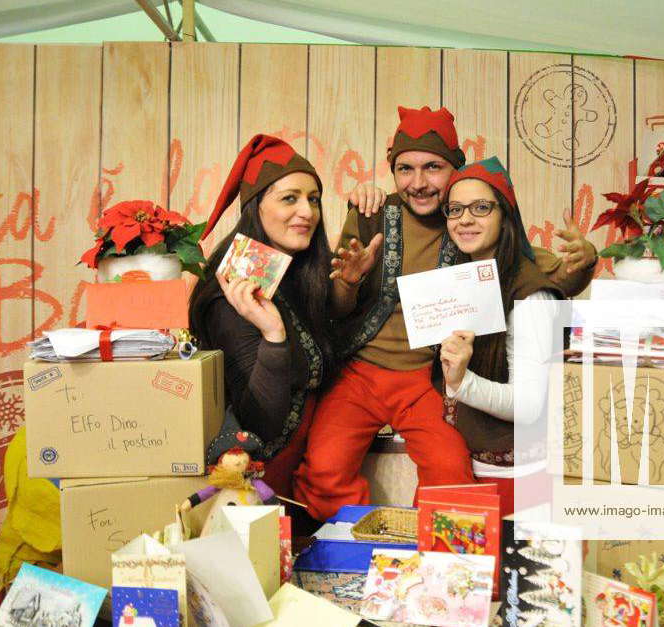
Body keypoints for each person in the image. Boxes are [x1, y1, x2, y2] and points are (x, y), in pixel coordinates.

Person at [294, 106, 598, 521]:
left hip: (426, 377)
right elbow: (334, 306)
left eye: (433, 167)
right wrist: (346, 283)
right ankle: (348, 553)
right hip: (359, 372)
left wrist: (584, 261)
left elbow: (536, 273)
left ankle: (436, 568)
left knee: (450, 470)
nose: (418, 183)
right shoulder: (370, 214)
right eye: (406, 169)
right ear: (393, 171)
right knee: (325, 466)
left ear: (455, 169)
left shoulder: (469, 220)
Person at [189, 134, 333, 500]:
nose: (308, 212)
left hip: (307, 470)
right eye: (290, 198)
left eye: (313, 199)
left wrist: (348, 289)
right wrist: (273, 335)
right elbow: (259, 425)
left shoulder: (296, 272)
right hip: (259, 485)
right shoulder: (230, 294)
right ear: (256, 207)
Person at [434, 156, 565, 517]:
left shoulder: (531, 295)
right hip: (469, 469)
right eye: (455, 209)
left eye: (480, 207)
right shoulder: (463, 279)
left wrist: (461, 381)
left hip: (517, 483)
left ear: (505, 214)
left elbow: (528, 404)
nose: (464, 219)